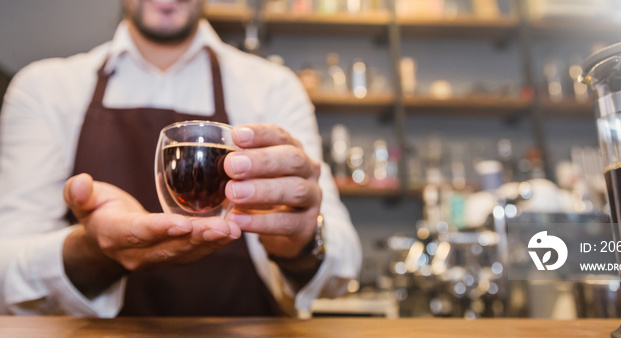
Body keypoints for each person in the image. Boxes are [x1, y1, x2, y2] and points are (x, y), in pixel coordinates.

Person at [0, 0, 361, 317]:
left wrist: (299, 243)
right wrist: (94, 251)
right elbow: (6, 270)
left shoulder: (273, 88)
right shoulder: (46, 89)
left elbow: (344, 266)